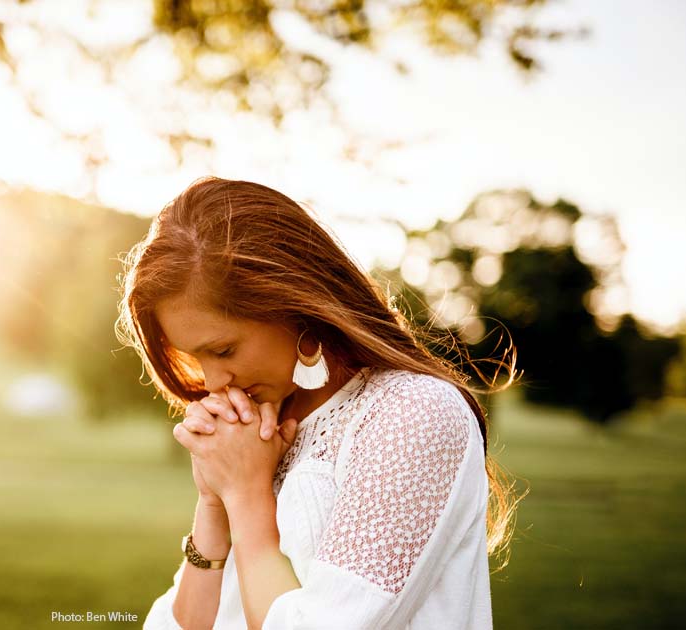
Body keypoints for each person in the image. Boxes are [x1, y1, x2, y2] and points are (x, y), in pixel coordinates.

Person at [116, 178, 517, 629]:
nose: (212, 382)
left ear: (295, 306)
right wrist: (214, 502)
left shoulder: (411, 413)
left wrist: (247, 500)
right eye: (196, 358)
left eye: (224, 350)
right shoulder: (257, 429)